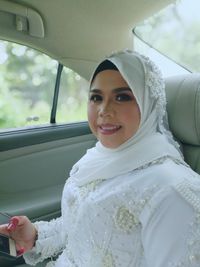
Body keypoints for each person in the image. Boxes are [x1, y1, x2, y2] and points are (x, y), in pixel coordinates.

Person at [0, 50, 200, 267]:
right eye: (96, 97)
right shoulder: (96, 159)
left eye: (122, 97)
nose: (104, 110)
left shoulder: (172, 189)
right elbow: (79, 227)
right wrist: (35, 235)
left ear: (147, 104)